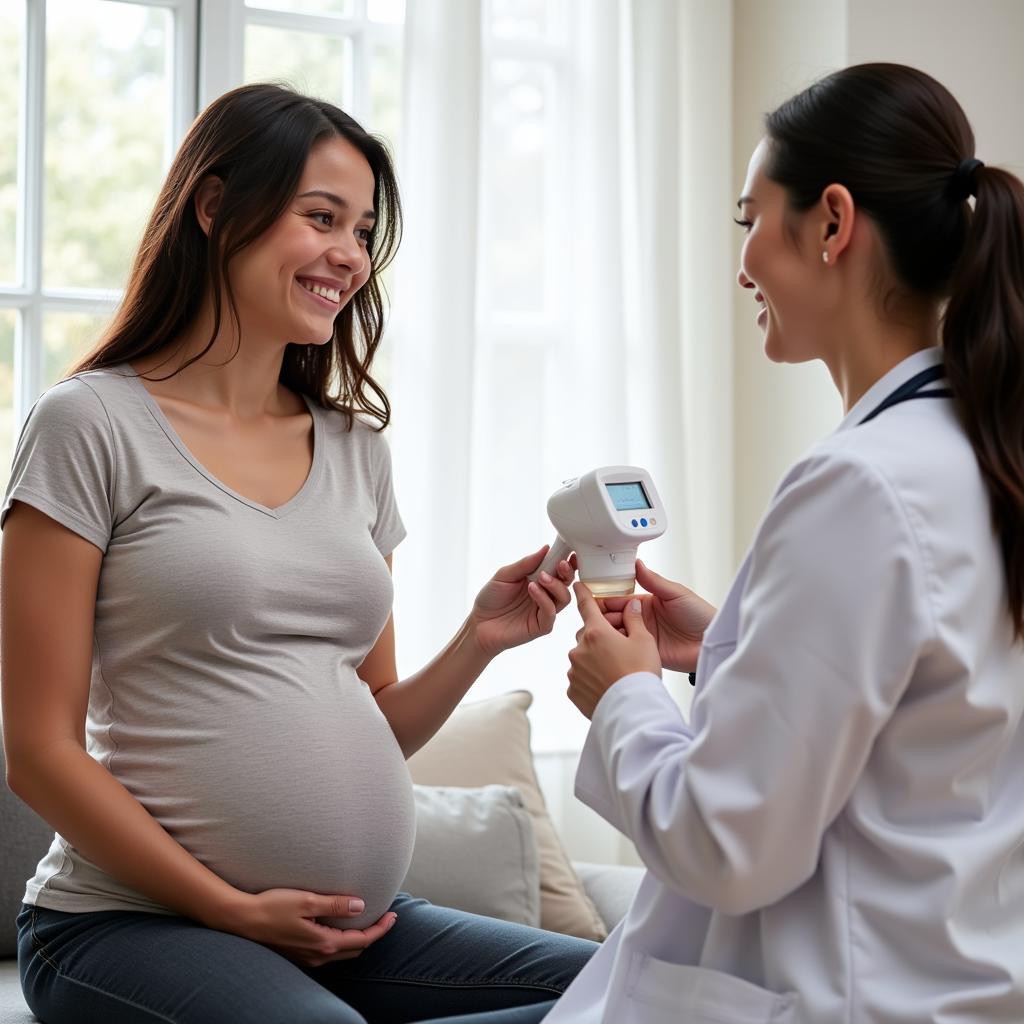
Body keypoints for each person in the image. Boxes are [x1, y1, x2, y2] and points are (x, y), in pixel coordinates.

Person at [2, 83, 596, 1024]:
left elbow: (376, 720)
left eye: (363, 231)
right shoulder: (90, 425)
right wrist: (230, 908)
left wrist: (480, 639)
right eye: (321, 218)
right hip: (126, 927)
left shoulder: (357, 450)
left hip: (349, 928)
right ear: (213, 206)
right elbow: (37, 752)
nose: (350, 256)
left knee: (641, 992)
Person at [445, 62, 1024, 1024]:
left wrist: (624, 695)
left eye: (749, 219)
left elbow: (728, 844)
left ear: (833, 223)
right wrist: (728, 649)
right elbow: (917, 725)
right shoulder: (980, 451)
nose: (744, 261)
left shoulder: (861, 486)